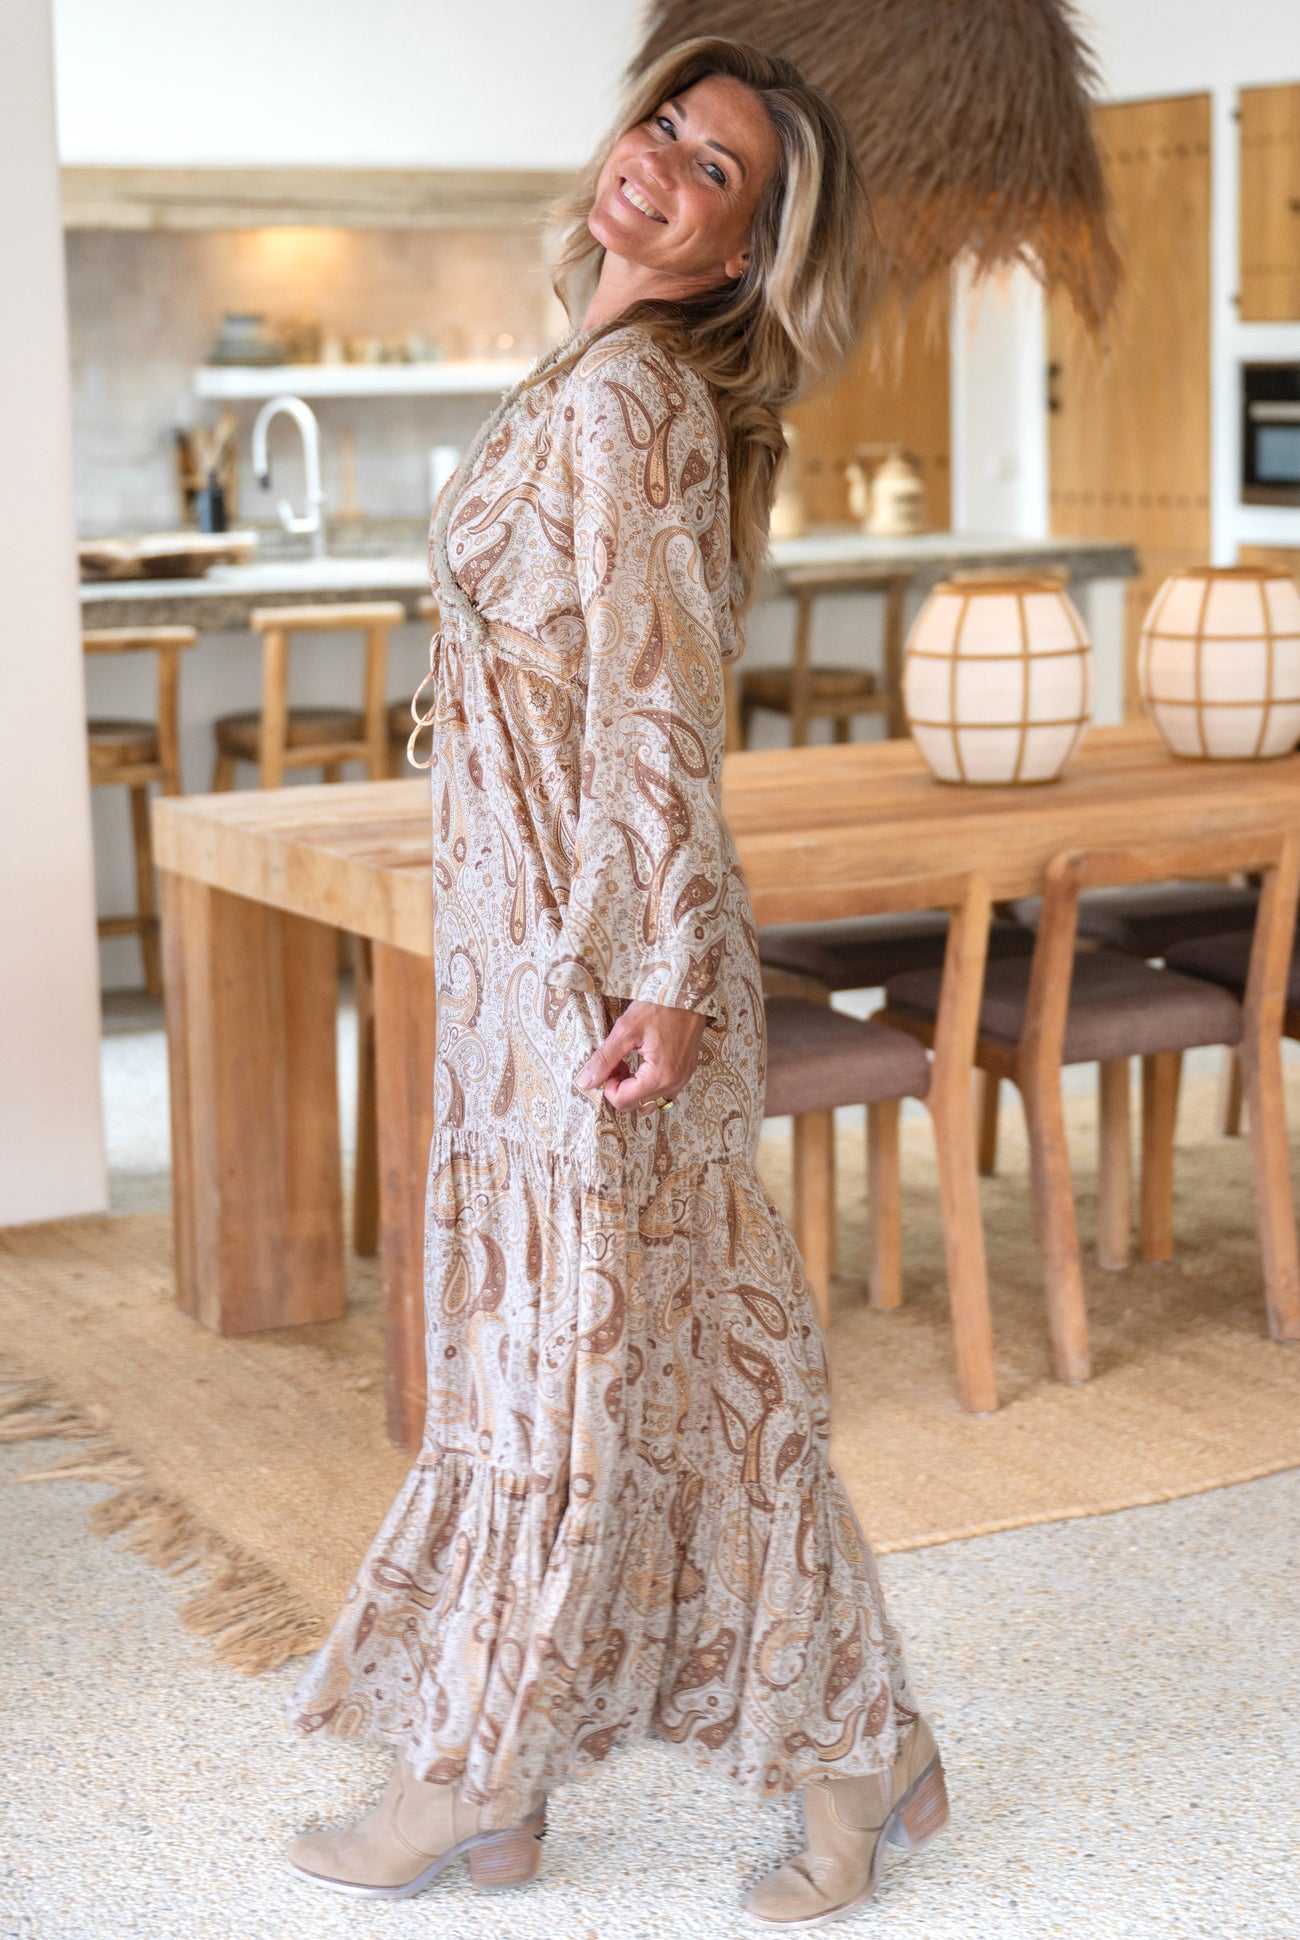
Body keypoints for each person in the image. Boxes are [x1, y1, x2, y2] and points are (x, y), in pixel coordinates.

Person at [284, 36, 947, 1927]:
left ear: (741, 252)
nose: (661, 160)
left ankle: (476, 1783)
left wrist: (655, 976)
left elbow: (659, 706)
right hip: (535, 954)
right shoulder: (589, 372)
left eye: (716, 168)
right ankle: (840, 1760)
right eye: (666, 124)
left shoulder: (632, 398)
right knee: (658, 1373)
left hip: (603, 976)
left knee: (599, 1370)